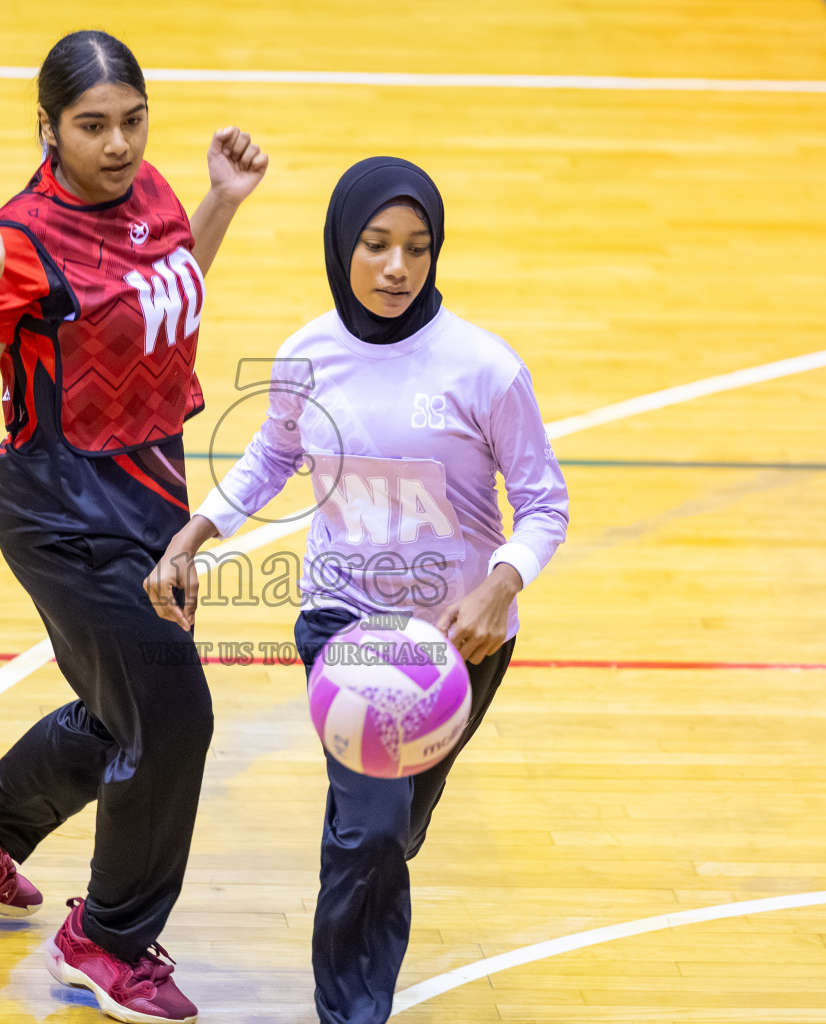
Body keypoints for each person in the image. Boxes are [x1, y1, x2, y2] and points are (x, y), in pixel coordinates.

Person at [0, 30, 267, 1024]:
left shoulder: (154, 201)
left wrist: (218, 205)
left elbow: (163, 303)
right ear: (49, 129)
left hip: (151, 499)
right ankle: (105, 941)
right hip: (63, 512)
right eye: (93, 127)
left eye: (133, 122)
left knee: (120, 716)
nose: (118, 146)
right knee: (174, 716)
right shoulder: (23, 235)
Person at [146, 157, 568, 1024]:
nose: (395, 268)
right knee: (369, 830)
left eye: (416, 248)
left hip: (463, 638)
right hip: (344, 620)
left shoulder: (486, 369)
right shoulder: (309, 353)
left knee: (391, 832)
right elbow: (271, 455)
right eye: (376, 245)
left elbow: (544, 504)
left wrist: (499, 587)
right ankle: (351, 1012)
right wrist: (199, 530)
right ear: (343, 245)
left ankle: (372, 865)